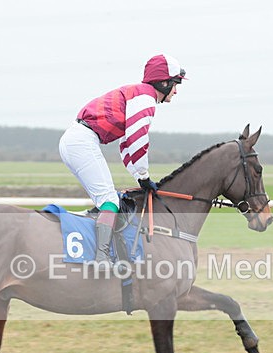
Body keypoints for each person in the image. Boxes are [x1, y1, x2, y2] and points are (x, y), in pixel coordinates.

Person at [59, 54, 186, 267]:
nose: (176, 91)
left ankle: (99, 247)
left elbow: (126, 144)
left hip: (78, 139)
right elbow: (138, 138)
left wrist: (139, 177)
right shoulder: (145, 98)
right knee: (109, 201)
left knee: (107, 201)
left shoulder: (139, 95)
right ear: (164, 83)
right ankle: (101, 257)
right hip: (82, 141)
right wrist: (144, 176)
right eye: (175, 84)